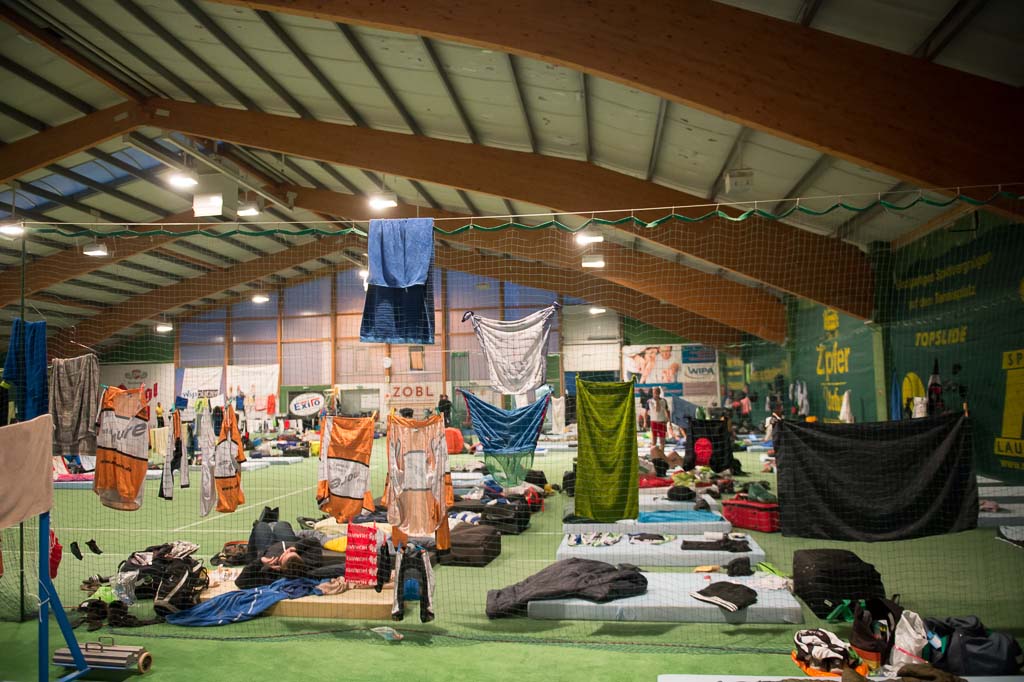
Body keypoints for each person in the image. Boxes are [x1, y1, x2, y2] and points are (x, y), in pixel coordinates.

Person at [235, 508, 326, 588]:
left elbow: (240, 582)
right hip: (287, 541)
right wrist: (295, 547)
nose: (285, 552)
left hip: (267, 548)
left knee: (261, 526)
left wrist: (260, 561)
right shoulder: (311, 563)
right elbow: (314, 541)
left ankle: (249, 559)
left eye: (283, 556)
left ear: (280, 568)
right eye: (290, 552)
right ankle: (271, 522)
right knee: (282, 525)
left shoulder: (271, 575)